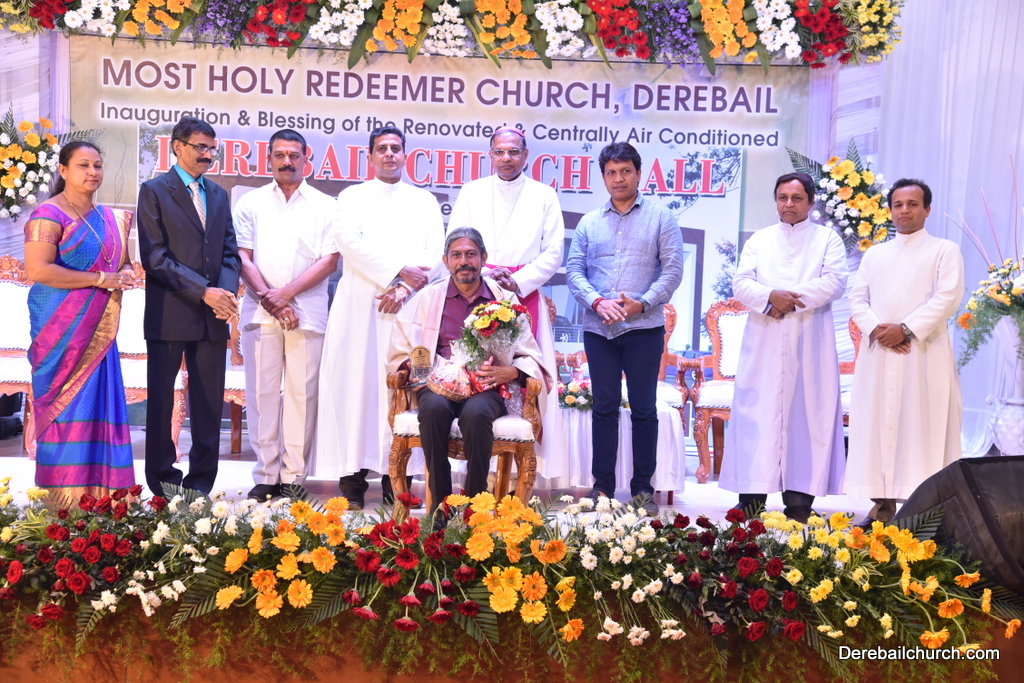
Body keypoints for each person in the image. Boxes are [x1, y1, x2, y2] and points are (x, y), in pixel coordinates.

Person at [314, 125, 444, 509]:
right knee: (355, 386)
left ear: (405, 155)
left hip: (410, 307)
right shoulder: (351, 197)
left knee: (403, 387)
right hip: (360, 305)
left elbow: (435, 252)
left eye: (395, 148)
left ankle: (396, 478)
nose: (389, 154)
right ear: (369, 156)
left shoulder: (424, 201)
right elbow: (348, 242)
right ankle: (352, 479)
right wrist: (397, 272)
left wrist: (403, 288)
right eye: (382, 148)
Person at [387, 227, 550, 512]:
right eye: (457, 255)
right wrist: (415, 365)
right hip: (438, 384)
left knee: (477, 414)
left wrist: (512, 372)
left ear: (484, 258)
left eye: (471, 254)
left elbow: (529, 351)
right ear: (446, 260)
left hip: (487, 386)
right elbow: (401, 346)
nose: (464, 262)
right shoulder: (428, 297)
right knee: (432, 410)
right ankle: (441, 508)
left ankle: (474, 509)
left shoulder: (504, 300)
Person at [720, 172, 848, 523]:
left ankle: (799, 502)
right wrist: (768, 297)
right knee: (757, 416)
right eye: (782, 197)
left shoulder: (827, 239)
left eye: (796, 198)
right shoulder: (760, 239)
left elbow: (835, 281)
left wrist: (787, 299)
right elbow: (741, 282)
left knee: (806, 417)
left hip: (809, 339)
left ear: (811, 202)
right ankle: (751, 500)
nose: (788, 204)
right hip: (764, 337)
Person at [565, 142, 683, 516]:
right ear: (603, 177)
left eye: (626, 171)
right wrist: (598, 301)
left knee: (644, 410)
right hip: (599, 328)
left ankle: (643, 490)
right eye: (612, 173)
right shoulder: (589, 222)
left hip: (644, 327)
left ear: (638, 173)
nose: (619, 179)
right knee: (603, 408)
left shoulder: (661, 218)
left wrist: (642, 303)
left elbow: (673, 270)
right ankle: (602, 486)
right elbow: (574, 271)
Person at [448, 126, 565, 482]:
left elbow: (554, 252)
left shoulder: (544, 195)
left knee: (527, 374)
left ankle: (524, 465)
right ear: (490, 155)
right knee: (477, 373)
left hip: (524, 294)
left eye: (514, 152)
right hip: (477, 292)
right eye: (499, 151)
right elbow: (456, 241)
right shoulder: (472, 191)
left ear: (526, 155)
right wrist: (485, 274)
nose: (506, 158)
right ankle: (476, 460)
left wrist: (518, 281)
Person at [22, 140, 138, 499]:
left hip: (98, 334)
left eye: (97, 165)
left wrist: (126, 273)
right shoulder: (48, 215)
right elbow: (38, 270)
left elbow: (123, 263)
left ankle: (106, 500)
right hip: (61, 334)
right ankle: (63, 502)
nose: (92, 172)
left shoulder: (111, 218)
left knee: (100, 403)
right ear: (63, 170)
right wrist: (101, 279)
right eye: (83, 165)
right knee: (64, 410)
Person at [846, 179, 964, 524]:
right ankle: (881, 508)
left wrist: (906, 328)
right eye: (898, 204)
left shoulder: (944, 250)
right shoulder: (875, 254)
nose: (904, 211)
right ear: (889, 210)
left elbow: (948, 297)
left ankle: (924, 512)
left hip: (923, 353)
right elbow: (857, 299)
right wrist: (877, 329)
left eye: (913, 204)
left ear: (927, 209)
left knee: (921, 426)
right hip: (880, 353)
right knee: (878, 424)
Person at [137, 116, 240, 498]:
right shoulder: (154, 190)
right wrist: (204, 291)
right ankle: (164, 484)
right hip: (170, 311)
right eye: (200, 147)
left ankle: (199, 487)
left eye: (212, 149)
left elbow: (229, 252)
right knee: (162, 402)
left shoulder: (218, 194)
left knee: (209, 404)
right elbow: (155, 258)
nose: (208, 155)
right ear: (177, 147)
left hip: (213, 315)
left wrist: (222, 294)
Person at [234, 129, 339, 500]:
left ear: (306, 159)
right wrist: (272, 300)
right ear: (269, 159)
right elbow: (242, 256)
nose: (287, 161)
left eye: (294, 155)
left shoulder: (326, 205)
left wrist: (286, 296)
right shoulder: (250, 202)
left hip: (306, 312)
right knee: (261, 394)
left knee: (301, 395)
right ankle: (266, 473)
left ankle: (294, 476)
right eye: (279, 155)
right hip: (260, 311)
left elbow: (330, 260)